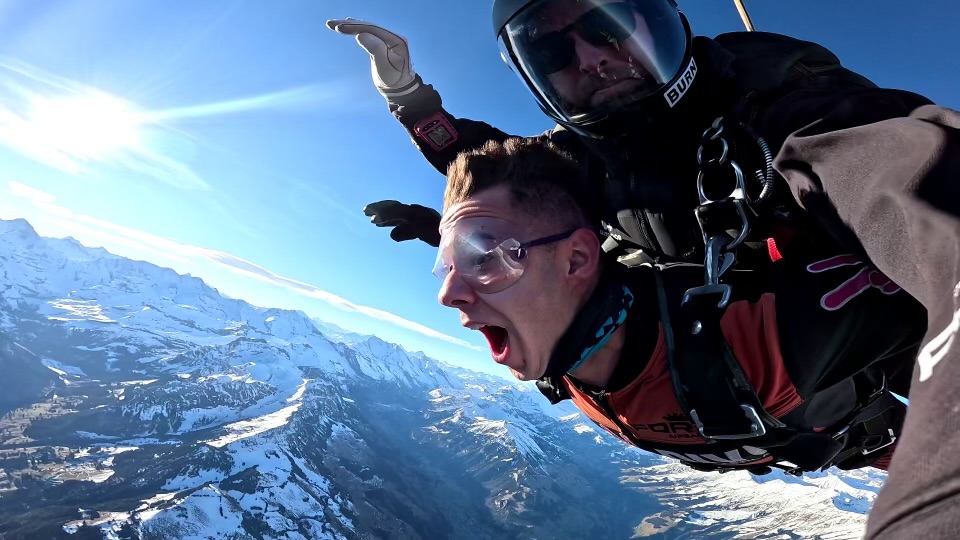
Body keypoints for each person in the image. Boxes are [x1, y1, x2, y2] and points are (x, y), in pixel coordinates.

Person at [328, 2, 960, 536]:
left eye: (606, 26)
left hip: (879, 394)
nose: (590, 59)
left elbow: (910, 179)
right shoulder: (587, 159)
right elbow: (497, 166)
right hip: (800, 419)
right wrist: (411, 103)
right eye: (551, 52)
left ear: (665, 21)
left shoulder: (786, 111)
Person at [434, 135, 922, 478]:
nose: (446, 293)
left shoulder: (761, 341)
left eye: (485, 259)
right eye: (448, 263)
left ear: (578, 259)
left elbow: (932, 270)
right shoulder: (556, 351)